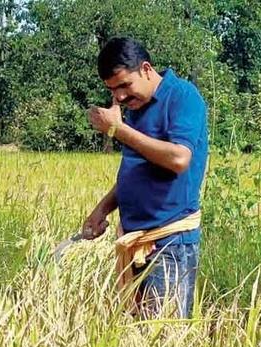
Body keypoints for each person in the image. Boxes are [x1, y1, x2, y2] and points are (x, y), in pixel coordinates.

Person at [83, 37, 208, 318]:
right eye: (113, 91)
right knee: (135, 338)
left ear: (147, 69)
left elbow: (178, 159)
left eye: (125, 85)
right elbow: (136, 170)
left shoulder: (183, 96)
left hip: (169, 244)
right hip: (135, 242)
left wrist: (118, 130)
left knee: (162, 340)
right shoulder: (136, 108)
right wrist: (101, 210)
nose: (120, 97)